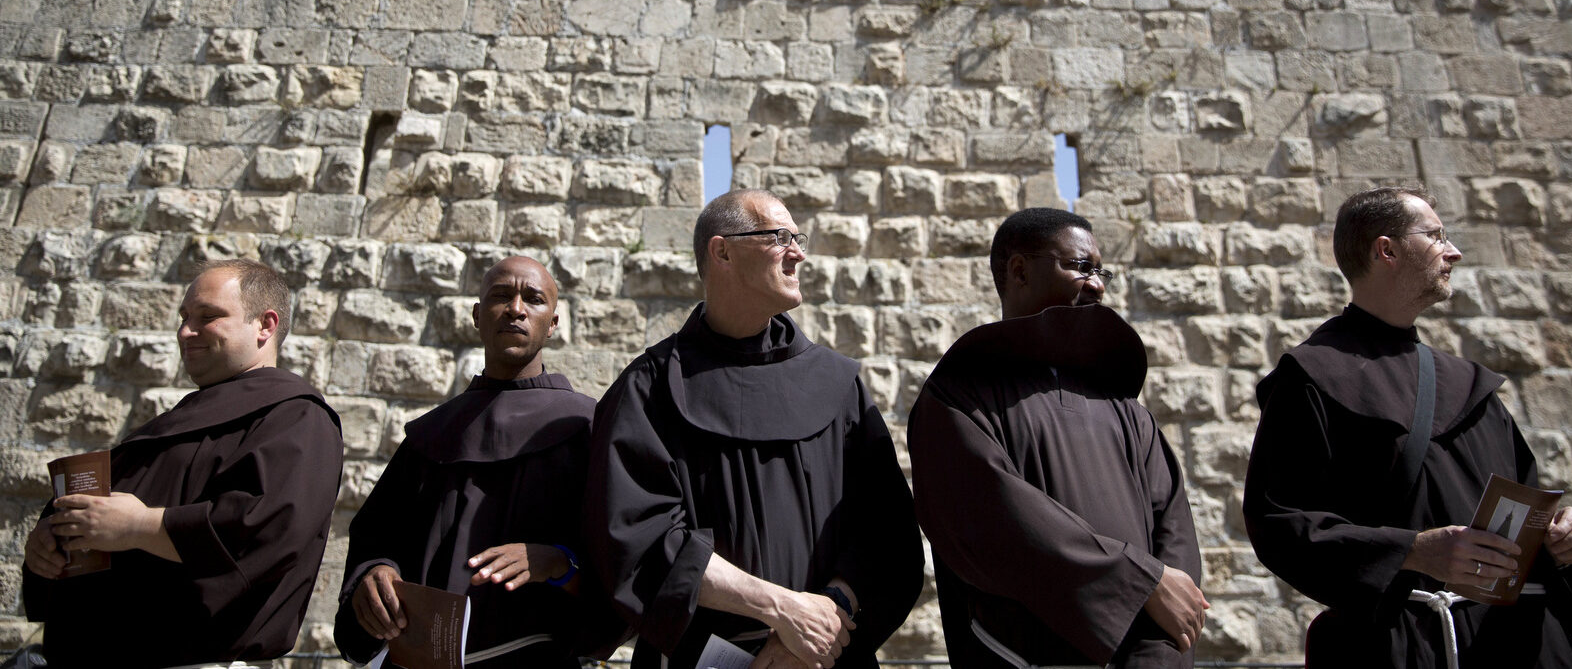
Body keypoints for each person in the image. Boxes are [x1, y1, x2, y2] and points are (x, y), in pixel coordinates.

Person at [1244, 186, 1572, 668]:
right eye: (1435, 236)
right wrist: (1411, 551)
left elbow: (1524, 513)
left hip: (1524, 642)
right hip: (1412, 647)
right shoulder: (1312, 380)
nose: (1452, 251)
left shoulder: (1470, 384)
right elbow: (1280, 525)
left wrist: (1566, 538)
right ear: (1386, 250)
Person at [585, 189, 924, 669]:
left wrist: (826, 616)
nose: (799, 252)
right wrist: (781, 609)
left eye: (797, 237)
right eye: (780, 237)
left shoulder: (838, 384)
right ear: (722, 251)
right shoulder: (647, 388)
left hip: (824, 655)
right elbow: (635, 539)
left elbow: (886, 531)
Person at [908, 207, 1207, 669]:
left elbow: (1174, 531)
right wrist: (1139, 582)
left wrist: (1161, 648)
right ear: (1020, 270)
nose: (1098, 284)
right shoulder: (958, 398)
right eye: (1080, 267)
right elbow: (1001, 527)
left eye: (1101, 271)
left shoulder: (1125, 408)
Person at [21, 258, 343, 668]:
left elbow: (268, 527)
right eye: (184, 317)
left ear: (265, 325)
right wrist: (49, 542)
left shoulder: (295, 418)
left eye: (208, 316)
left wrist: (140, 526)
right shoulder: (180, 420)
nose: (184, 331)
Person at [334, 256, 621, 668]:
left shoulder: (587, 429)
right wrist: (374, 575)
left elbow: (621, 560)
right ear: (476, 315)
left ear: (553, 323)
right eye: (500, 296)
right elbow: (376, 540)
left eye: (533, 299)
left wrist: (557, 562)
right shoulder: (431, 436)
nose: (516, 309)